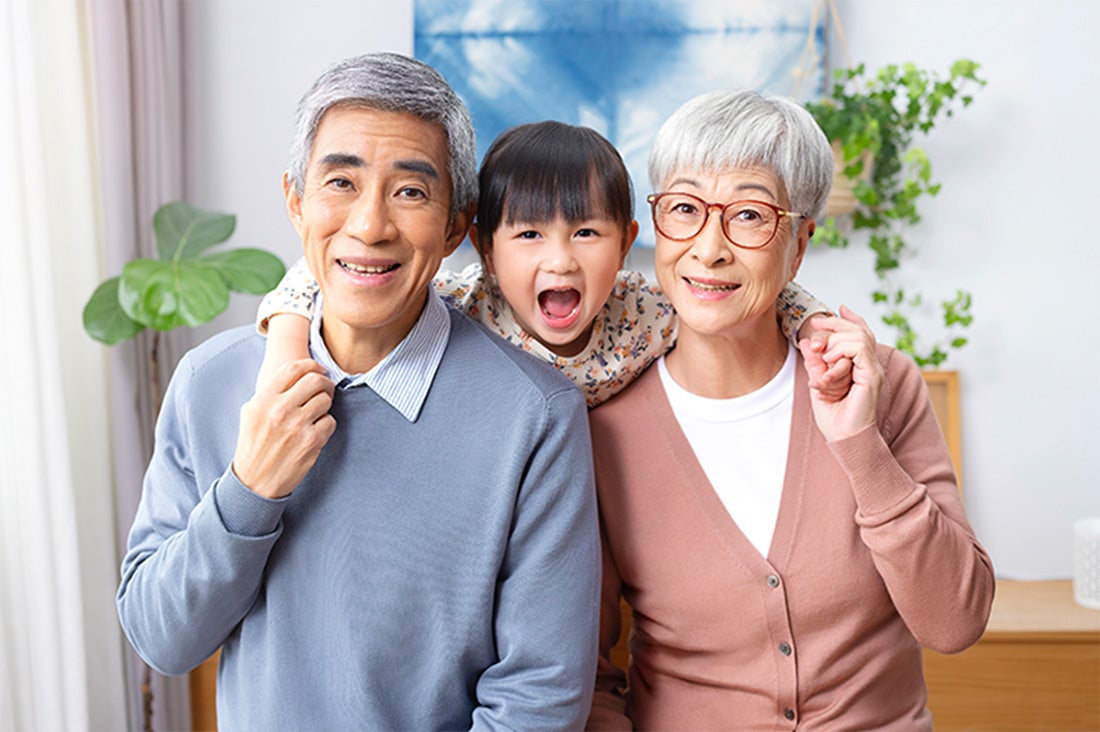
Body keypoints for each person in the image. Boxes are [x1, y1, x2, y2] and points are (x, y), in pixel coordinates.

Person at [116, 52, 601, 731]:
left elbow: (538, 700)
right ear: (295, 200)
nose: (370, 225)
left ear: (457, 225)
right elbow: (161, 639)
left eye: (409, 191)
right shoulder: (211, 382)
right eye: (341, 181)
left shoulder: (537, 416)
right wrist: (251, 487)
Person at [586, 89, 994, 730]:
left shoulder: (882, 387)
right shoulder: (603, 429)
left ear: (799, 243)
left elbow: (956, 621)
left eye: (748, 215)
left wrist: (860, 445)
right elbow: (589, 675)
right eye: (685, 208)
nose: (709, 248)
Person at [257, 121, 850, 408]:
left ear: (626, 245)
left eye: (587, 232)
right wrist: (286, 347)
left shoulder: (648, 312)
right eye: (530, 234)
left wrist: (812, 325)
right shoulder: (465, 306)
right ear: (484, 248)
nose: (560, 260)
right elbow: (327, 269)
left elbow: (742, 287)